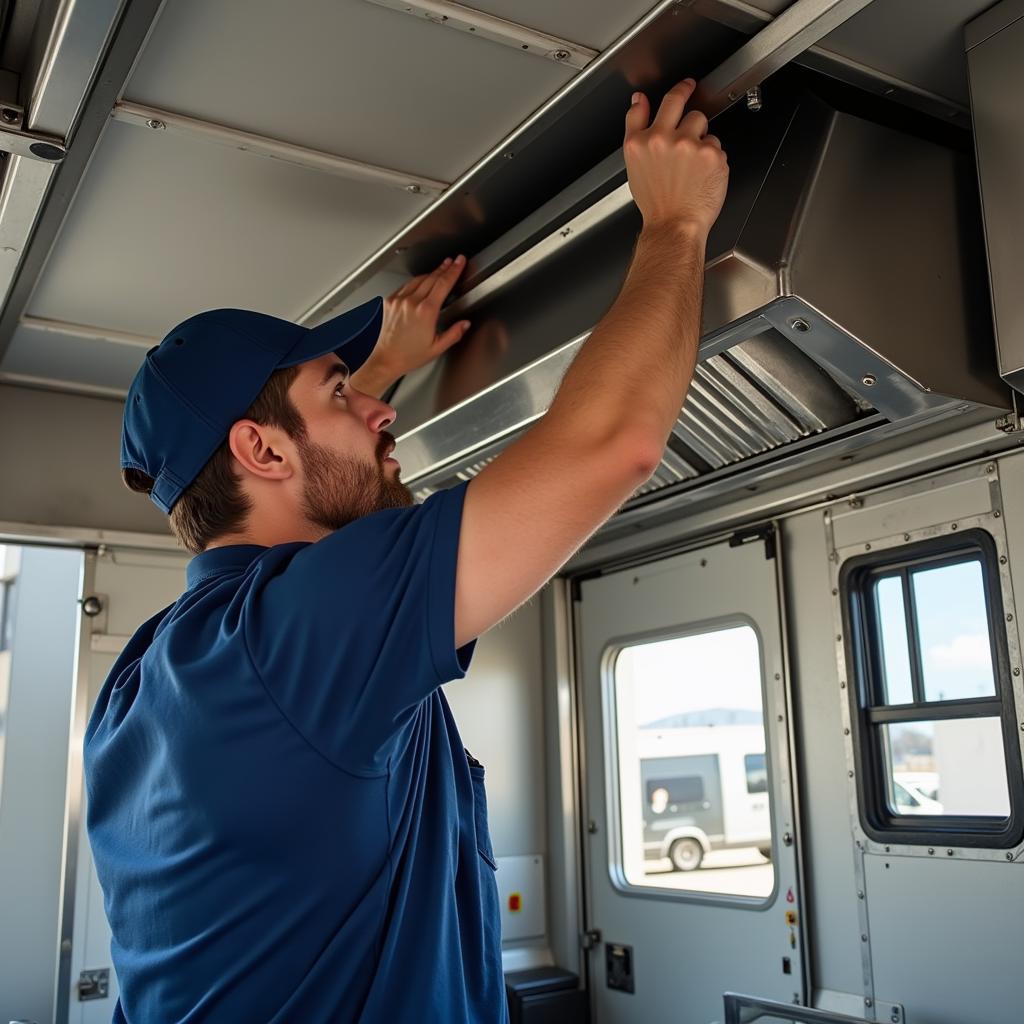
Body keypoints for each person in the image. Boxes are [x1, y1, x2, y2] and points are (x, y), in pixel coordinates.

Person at [84, 78, 728, 1023]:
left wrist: (366, 383)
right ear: (258, 451)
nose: (384, 411)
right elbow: (614, 444)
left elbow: (304, 472)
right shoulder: (292, 639)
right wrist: (675, 225)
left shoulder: (159, 670)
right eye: (341, 392)